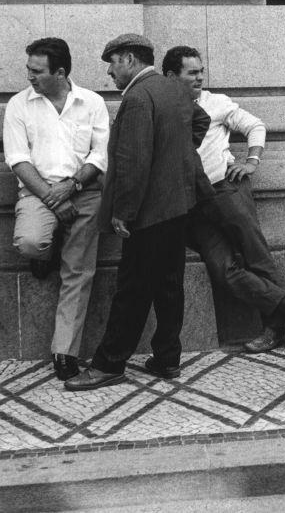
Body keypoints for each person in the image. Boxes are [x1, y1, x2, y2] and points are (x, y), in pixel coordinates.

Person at [66, 34, 209, 391]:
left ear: (129, 59)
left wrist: (122, 213)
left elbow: (132, 163)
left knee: (132, 289)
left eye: (112, 63)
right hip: (178, 206)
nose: (110, 72)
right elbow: (200, 121)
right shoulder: (174, 89)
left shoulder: (138, 98)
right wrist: (176, 159)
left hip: (148, 212)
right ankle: (166, 358)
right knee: (169, 286)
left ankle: (109, 364)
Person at [162, 46, 285, 353]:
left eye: (201, 71)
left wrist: (251, 162)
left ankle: (275, 329)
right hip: (192, 205)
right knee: (224, 270)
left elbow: (255, 125)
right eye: (192, 73)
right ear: (170, 76)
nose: (199, 78)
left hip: (226, 191)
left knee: (256, 256)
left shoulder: (215, 103)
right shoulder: (163, 107)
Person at [3, 38, 109, 381]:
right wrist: (53, 197)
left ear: (60, 72)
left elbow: (99, 155)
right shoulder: (20, 105)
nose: (30, 76)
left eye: (37, 71)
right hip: (39, 192)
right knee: (30, 242)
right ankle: (45, 249)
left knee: (78, 271)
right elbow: (17, 159)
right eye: (28, 69)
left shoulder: (91, 102)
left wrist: (73, 186)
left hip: (84, 190)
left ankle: (65, 351)